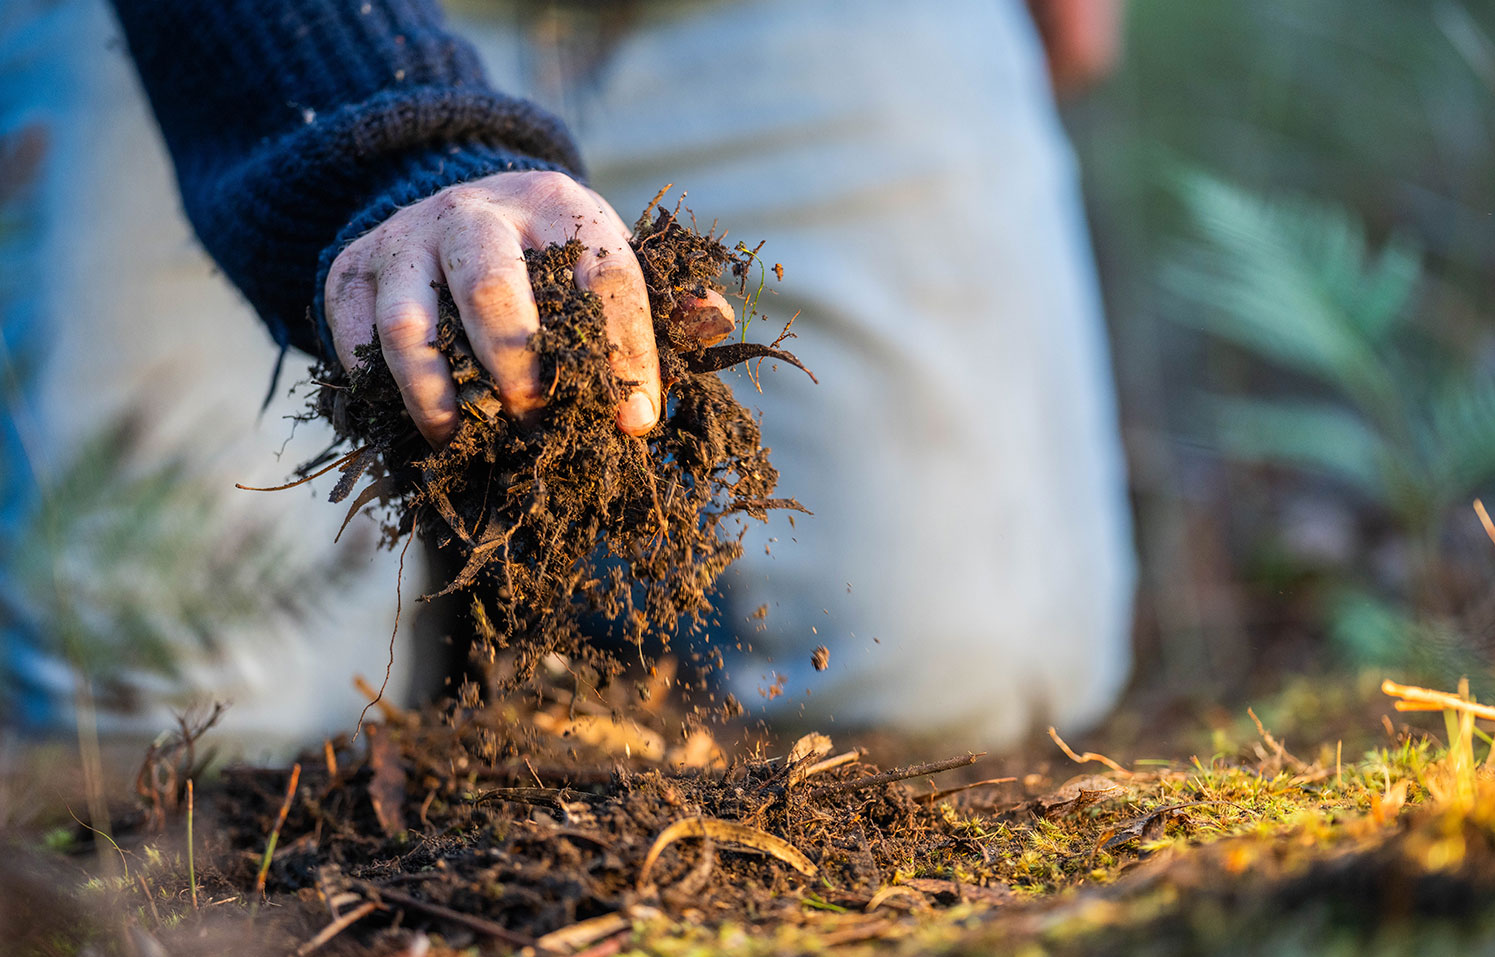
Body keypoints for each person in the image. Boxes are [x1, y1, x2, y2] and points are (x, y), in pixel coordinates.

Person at [68, 0, 1133, 747]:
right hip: (240, 36)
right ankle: (464, 625)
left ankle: (548, 637)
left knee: (953, 686)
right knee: (166, 714)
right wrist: (384, 148)